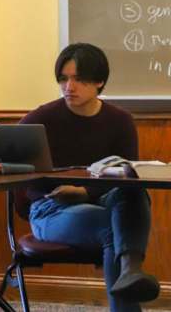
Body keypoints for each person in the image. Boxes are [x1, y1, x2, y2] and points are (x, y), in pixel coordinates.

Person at [22, 43, 157, 311]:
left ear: (99, 82)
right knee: (113, 226)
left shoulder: (120, 121)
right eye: (64, 78)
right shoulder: (40, 119)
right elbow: (18, 170)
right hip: (49, 210)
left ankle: (130, 269)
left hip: (101, 201)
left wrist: (84, 193)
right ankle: (130, 271)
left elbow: (127, 179)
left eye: (79, 79)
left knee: (134, 193)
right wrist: (65, 193)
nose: (69, 87)